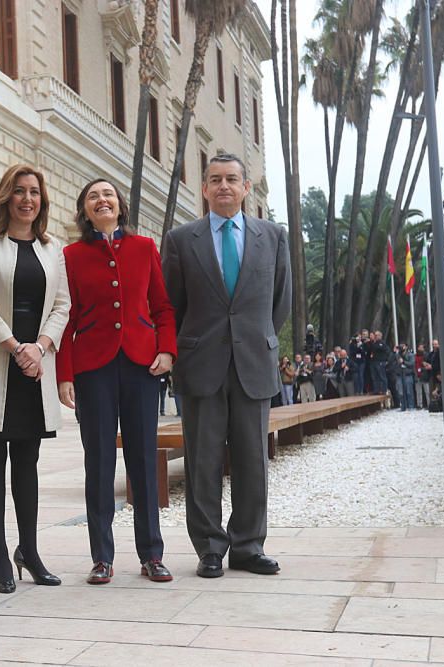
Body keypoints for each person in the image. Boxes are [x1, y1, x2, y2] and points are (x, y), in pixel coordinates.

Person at [162, 153, 291, 579]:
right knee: (203, 461)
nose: (224, 187)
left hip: (254, 361)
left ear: (245, 187)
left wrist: (255, 338)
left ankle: (249, 547)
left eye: (232, 180)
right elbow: (171, 304)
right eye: (215, 180)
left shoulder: (272, 237)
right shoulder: (182, 240)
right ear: (203, 188)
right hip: (202, 364)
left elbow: (281, 301)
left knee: (253, 458)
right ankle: (211, 548)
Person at [57, 178, 177, 585]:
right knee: (100, 462)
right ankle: (101, 557)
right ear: (85, 210)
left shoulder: (145, 249)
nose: (101, 200)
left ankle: (152, 554)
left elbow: (162, 307)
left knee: (143, 460)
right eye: (93, 196)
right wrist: (64, 374)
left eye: (107, 194)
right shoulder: (71, 256)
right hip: (93, 368)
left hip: (143, 364)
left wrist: (167, 351)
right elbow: (67, 318)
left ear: (120, 206)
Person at [0, 164, 70, 593]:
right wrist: (16, 347)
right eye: (20, 191)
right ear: (7, 196)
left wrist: (38, 348)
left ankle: (30, 551)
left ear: (42, 201)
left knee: (28, 463)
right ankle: (0, 555)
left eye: (35, 193)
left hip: (34, 367)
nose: (27, 199)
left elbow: (62, 304)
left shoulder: (51, 247)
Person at [394, 345, 416, 411]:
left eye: (403, 346)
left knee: (409, 392)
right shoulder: (397, 355)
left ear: (406, 347)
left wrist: (403, 362)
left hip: (408, 375)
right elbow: (394, 363)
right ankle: (403, 407)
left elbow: (412, 364)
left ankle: (411, 406)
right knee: (400, 392)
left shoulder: (410, 355)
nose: (401, 348)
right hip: (399, 375)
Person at [370, 331, 390, 398]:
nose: (376, 336)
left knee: (382, 376)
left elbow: (383, 349)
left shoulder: (382, 343)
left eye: (377, 335)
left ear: (380, 336)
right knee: (375, 377)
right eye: (375, 335)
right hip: (374, 362)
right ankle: (376, 390)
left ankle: (384, 390)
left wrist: (386, 360)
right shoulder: (373, 343)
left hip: (380, 362)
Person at [415, 343, 430, 408]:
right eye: (419, 347)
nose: (420, 349)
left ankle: (429, 404)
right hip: (417, 375)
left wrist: (424, 366)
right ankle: (419, 405)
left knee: (427, 391)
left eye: (422, 348)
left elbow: (428, 365)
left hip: (424, 375)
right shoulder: (415, 356)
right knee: (418, 392)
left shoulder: (426, 355)